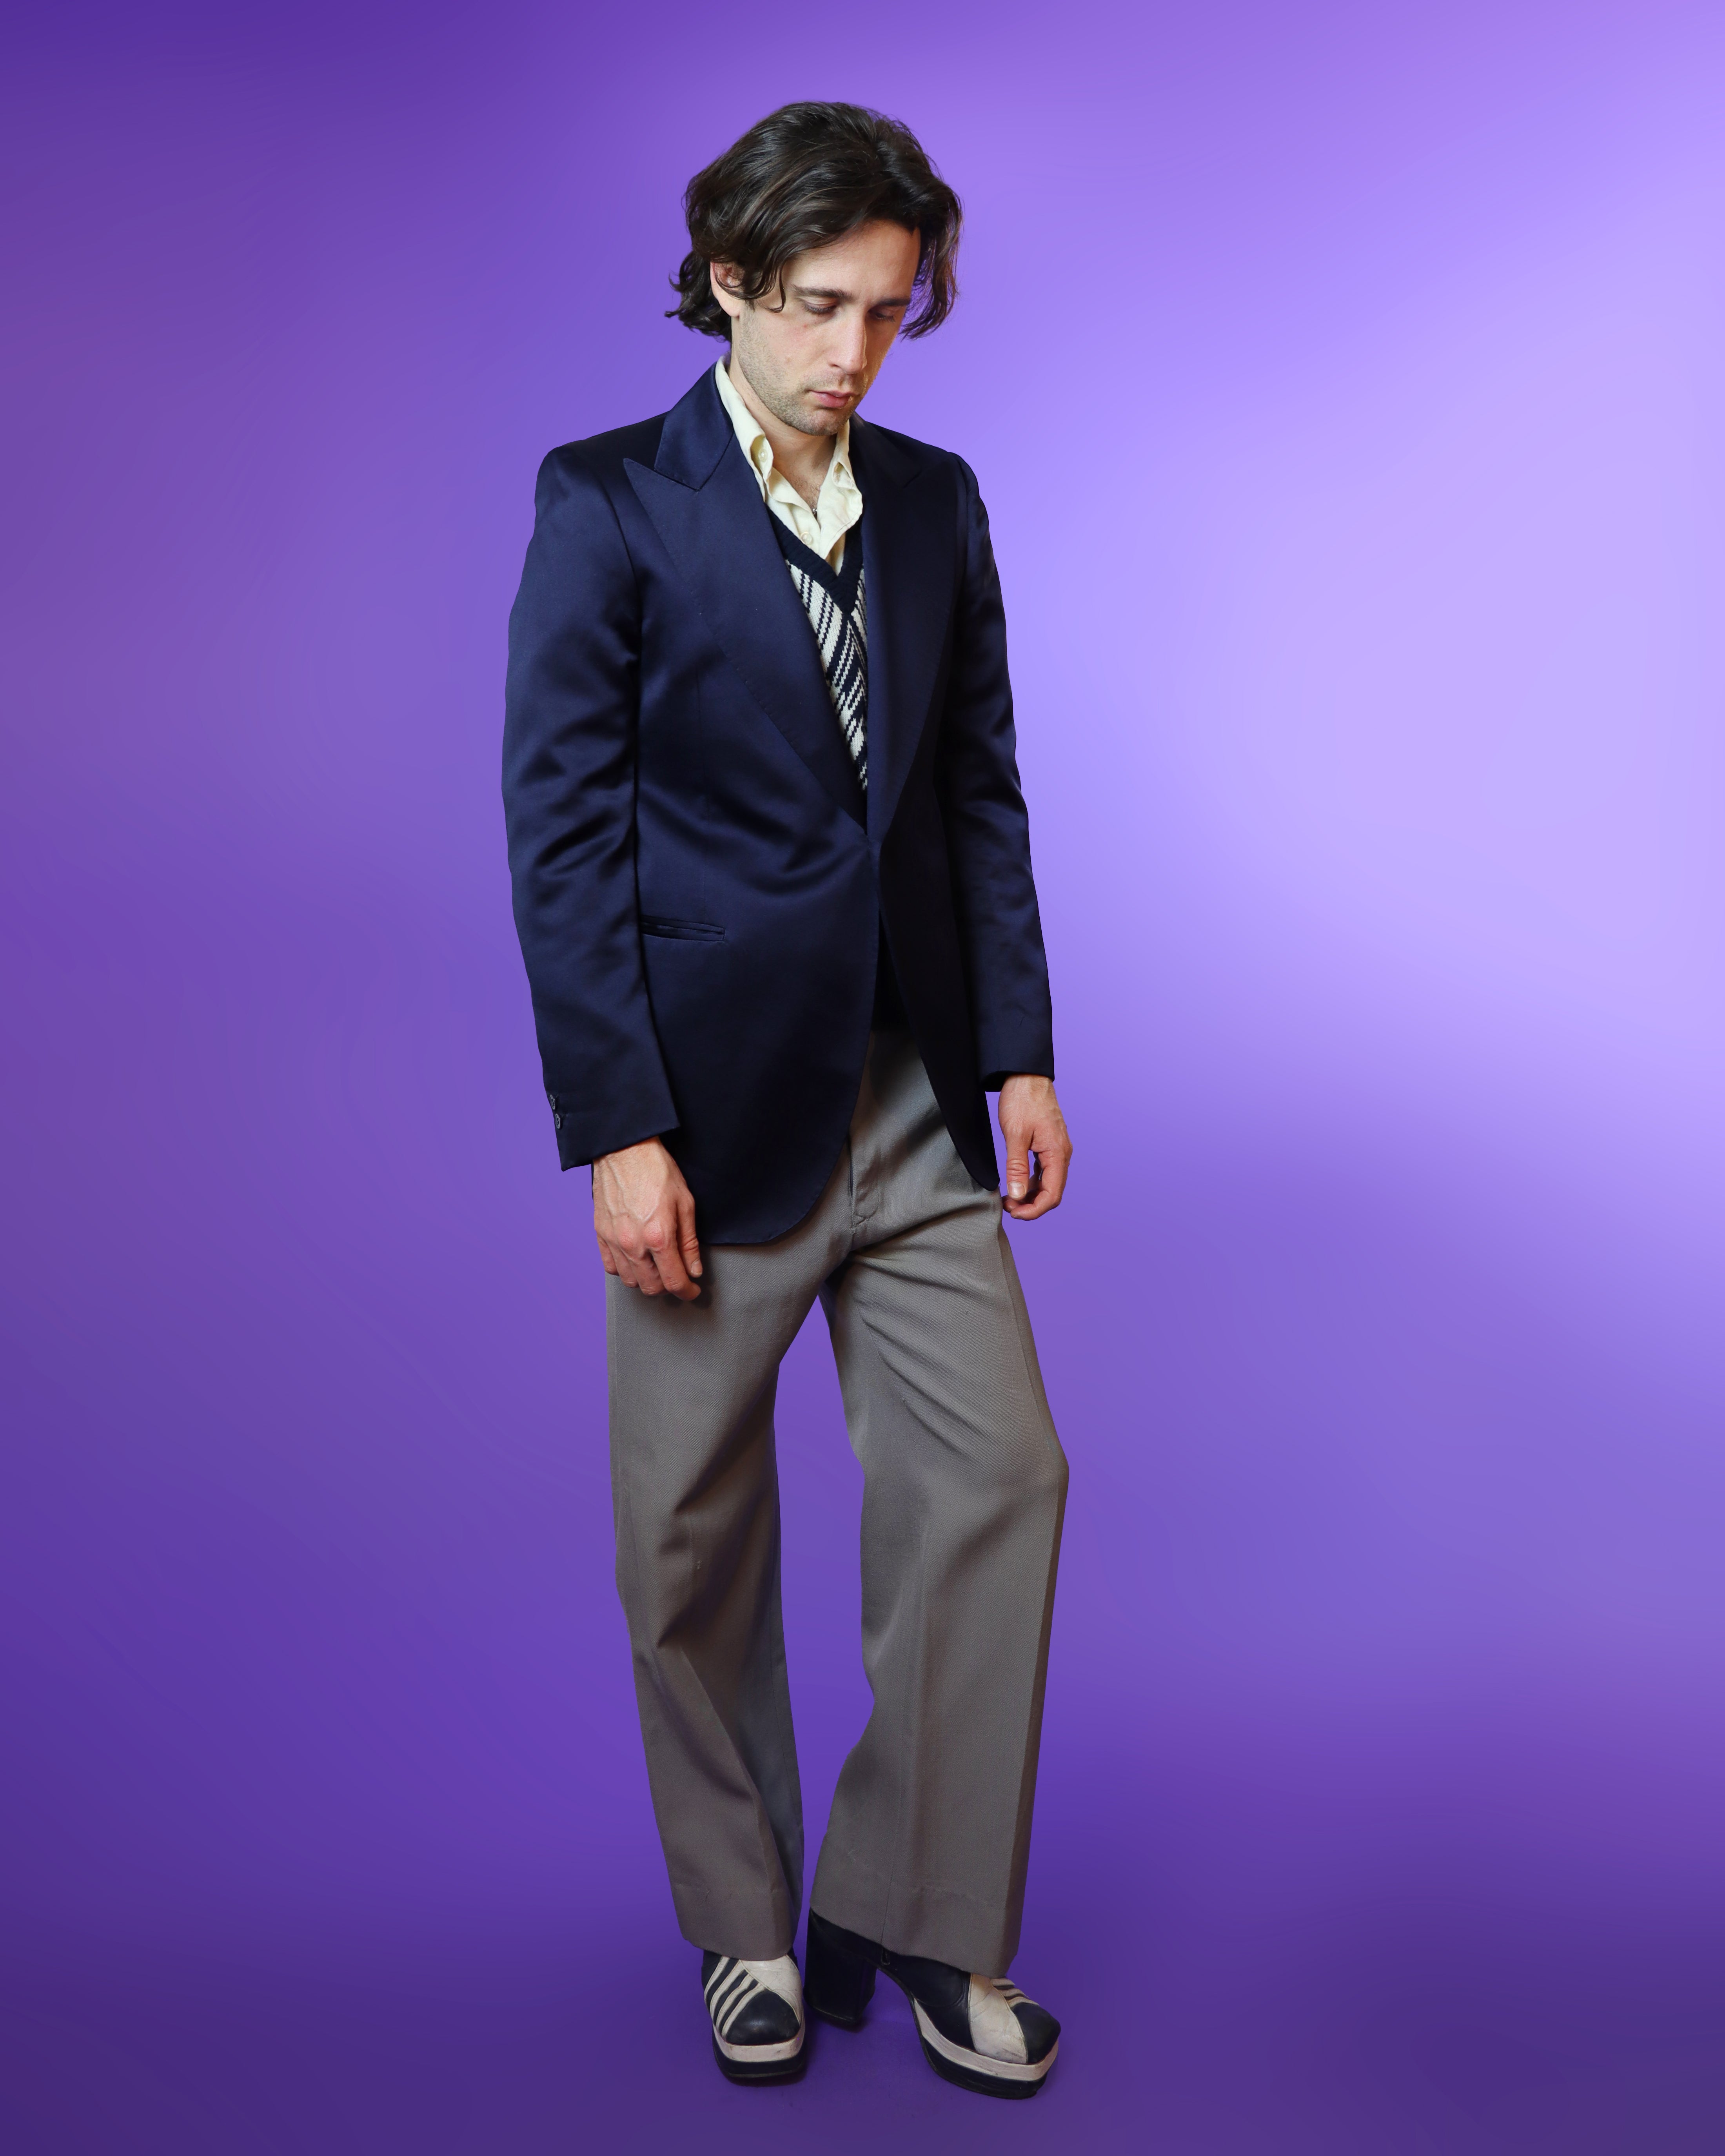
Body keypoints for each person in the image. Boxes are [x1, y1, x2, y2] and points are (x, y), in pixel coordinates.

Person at [502, 101, 1072, 2101]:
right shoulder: (608, 502)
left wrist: (1016, 1049)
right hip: (706, 1103)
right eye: (819, 305)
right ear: (729, 281)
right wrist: (617, 1124)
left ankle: (916, 1910)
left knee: (998, 1478)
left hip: (909, 1091)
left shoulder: (932, 501)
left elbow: (975, 787)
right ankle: (745, 1917)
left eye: (890, 314)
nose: (854, 353)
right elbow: (561, 832)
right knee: (690, 1535)